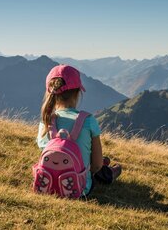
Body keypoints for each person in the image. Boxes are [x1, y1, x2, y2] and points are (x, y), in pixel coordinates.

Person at [36, 64, 121, 196]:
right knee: (99, 166)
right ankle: (109, 172)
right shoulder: (88, 120)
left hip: (47, 185)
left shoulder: (46, 121)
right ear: (78, 93)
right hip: (80, 188)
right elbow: (96, 166)